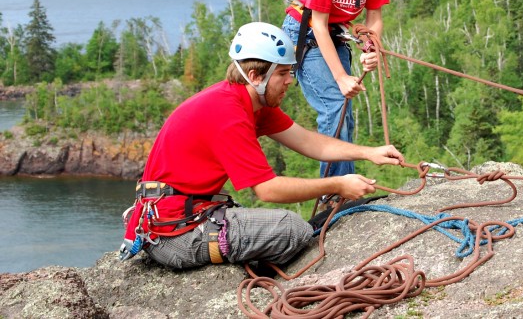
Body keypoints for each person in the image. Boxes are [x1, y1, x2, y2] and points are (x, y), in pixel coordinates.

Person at [119, 22, 404, 270]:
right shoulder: (227, 113)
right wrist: (338, 185)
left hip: (182, 217)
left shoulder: (254, 103)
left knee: (287, 227)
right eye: (283, 74)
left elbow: (307, 141)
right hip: (174, 234)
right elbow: (267, 190)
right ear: (256, 77)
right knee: (291, 229)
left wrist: (369, 153)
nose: (289, 82)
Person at [282, 0, 399, 179]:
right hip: (305, 32)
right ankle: (338, 191)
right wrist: (340, 76)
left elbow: (375, 17)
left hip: (335, 32)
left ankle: (341, 186)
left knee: (345, 113)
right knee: (335, 106)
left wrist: (372, 47)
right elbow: (317, 23)